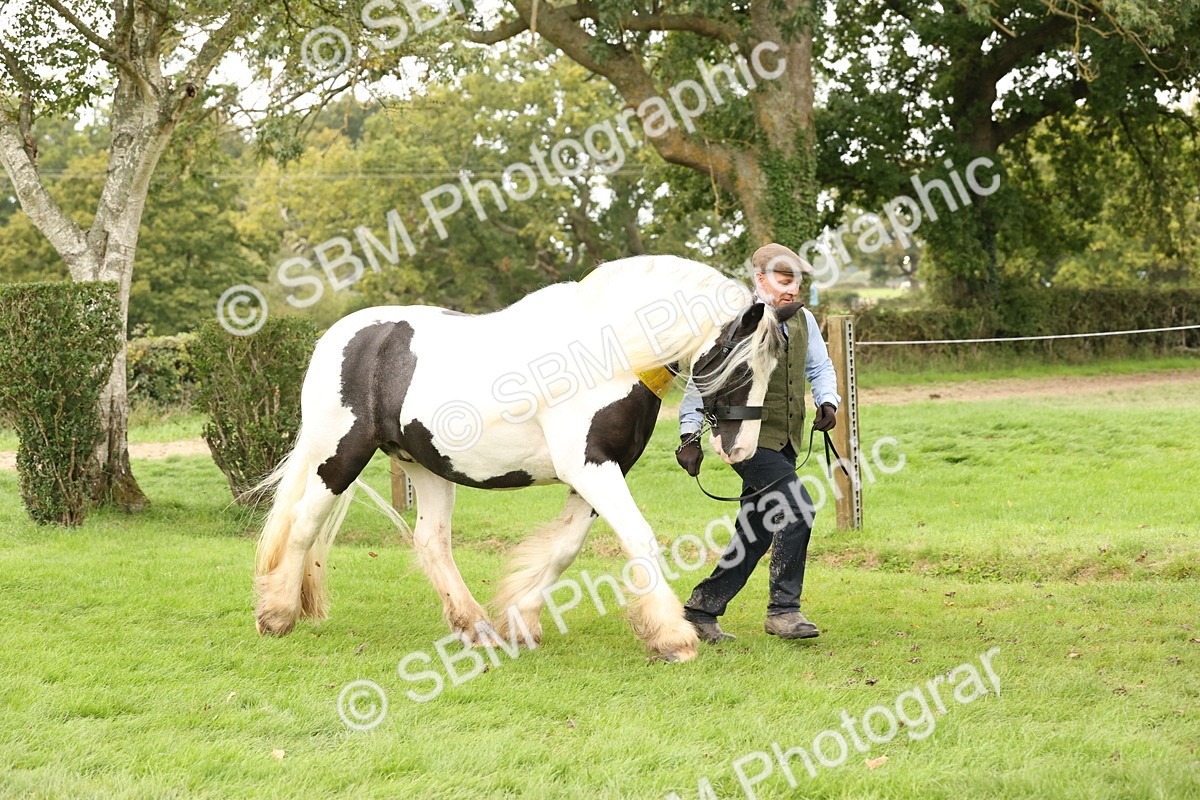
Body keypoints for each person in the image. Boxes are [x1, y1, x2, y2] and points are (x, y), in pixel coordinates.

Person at [675, 243, 841, 642]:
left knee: (758, 527)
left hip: (786, 438)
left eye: (796, 283)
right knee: (797, 508)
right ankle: (784, 611)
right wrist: (689, 434)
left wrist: (828, 400)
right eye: (784, 282)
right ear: (760, 279)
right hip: (745, 438)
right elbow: (704, 379)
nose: (792, 290)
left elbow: (820, 366)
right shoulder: (735, 322)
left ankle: (701, 609)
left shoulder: (804, 321)